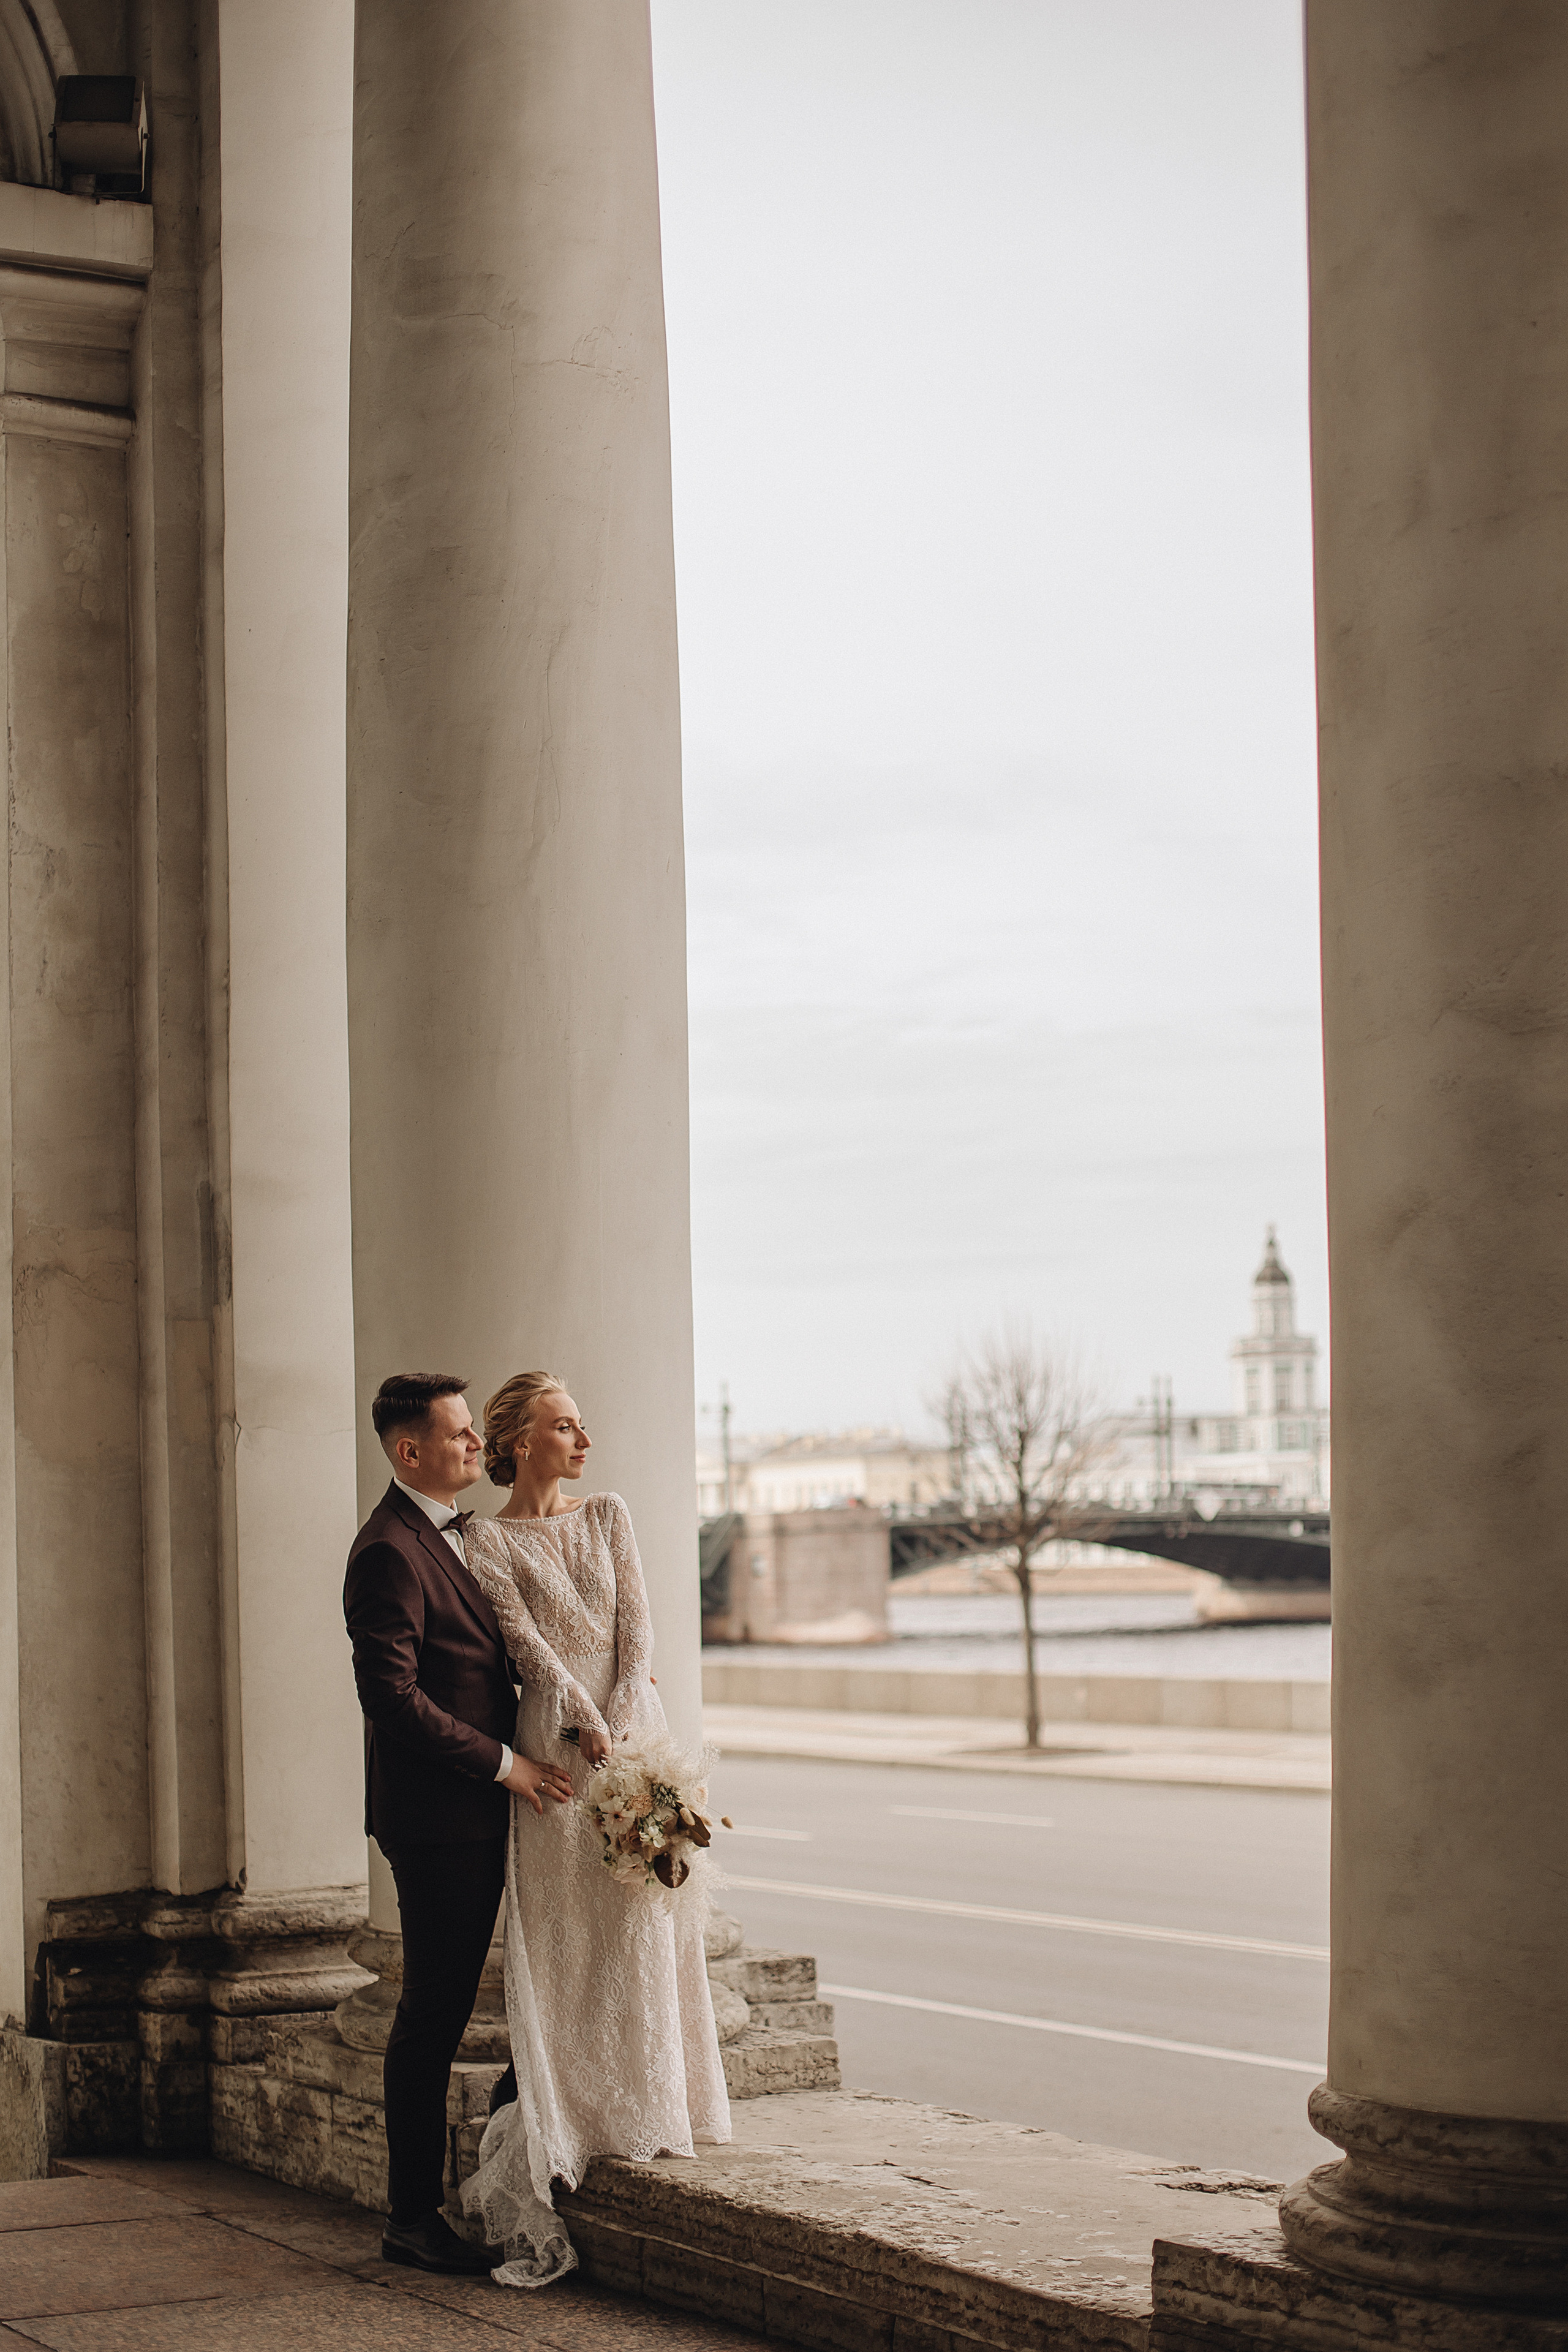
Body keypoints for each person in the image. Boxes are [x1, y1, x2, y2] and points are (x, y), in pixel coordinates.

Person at [457, 1370, 731, 2287]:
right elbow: (522, 1643)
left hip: (633, 1735)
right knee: (572, 1930)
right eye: (565, 1426)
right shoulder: (485, 1538)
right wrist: (583, 1724)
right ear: (520, 1439)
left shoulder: (608, 1514)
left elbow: (640, 1634)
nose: (582, 1441)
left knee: (638, 1920)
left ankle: (659, 2107)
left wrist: (622, 1719)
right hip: (557, 1750)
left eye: (580, 1425)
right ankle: (576, 2113)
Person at [343, 1373, 573, 2276]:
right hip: (444, 1820)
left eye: (477, 1432)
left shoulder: (460, 1534)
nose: (479, 1446)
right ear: (412, 1453)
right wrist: (506, 1764)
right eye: (462, 1435)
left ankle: (517, 2143)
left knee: (529, 1981)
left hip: (483, 1811)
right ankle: (410, 2215)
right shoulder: (388, 1552)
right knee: (433, 2013)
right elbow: (390, 1699)